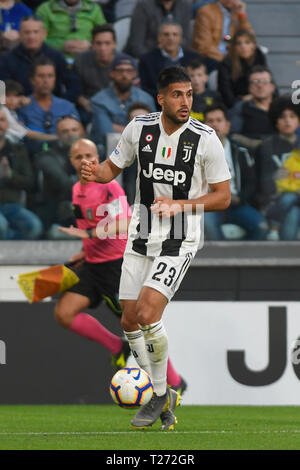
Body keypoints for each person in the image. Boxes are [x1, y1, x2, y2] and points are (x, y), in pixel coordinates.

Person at [81, 66, 231, 430]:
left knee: (148, 314)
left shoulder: (205, 138)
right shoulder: (138, 129)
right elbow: (110, 169)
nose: (186, 101)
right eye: (178, 95)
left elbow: (224, 197)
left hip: (179, 239)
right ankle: (163, 397)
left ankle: (161, 393)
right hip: (140, 235)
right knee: (130, 319)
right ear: (161, 98)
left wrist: (181, 205)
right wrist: (93, 170)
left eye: (190, 94)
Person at [55, 138, 188, 391]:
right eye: (78, 157)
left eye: (89, 155)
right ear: (71, 161)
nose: (84, 161)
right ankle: (118, 346)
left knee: (139, 324)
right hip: (92, 265)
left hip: (117, 265)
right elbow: (86, 227)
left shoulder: (109, 188)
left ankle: (176, 382)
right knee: (63, 312)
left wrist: (93, 234)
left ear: (97, 158)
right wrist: (83, 250)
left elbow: (128, 223)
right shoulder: (76, 189)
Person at [203, 103, 268, 240]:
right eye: (210, 121)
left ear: (227, 125)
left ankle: (243, 259)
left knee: (262, 227)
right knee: (208, 227)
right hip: (209, 205)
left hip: (236, 204)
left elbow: (251, 183)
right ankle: (222, 260)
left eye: (219, 120)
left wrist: (239, 198)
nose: (215, 125)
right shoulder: (192, 153)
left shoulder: (241, 152)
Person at [0, 15, 81, 103]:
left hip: (53, 109)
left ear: (44, 34)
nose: (31, 36)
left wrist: (60, 104)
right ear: (20, 34)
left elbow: (74, 85)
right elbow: (3, 90)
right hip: (19, 110)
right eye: (27, 32)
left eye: (36, 32)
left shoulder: (56, 56)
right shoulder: (7, 59)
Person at [33, 114, 85, 238]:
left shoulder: (94, 153)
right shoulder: (46, 157)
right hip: (57, 217)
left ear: (82, 132)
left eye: (74, 130)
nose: (70, 134)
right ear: (58, 135)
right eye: (65, 131)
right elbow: (66, 185)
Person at [256, 95, 300, 240]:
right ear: (276, 121)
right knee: (292, 212)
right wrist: (274, 177)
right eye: (282, 117)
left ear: (298, 120)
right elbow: (262, 181)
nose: (287, 120)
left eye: (292, 116)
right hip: (275, 199)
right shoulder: (267, 147)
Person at [90, 53, 156, 149]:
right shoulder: (99, 100)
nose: (124, 75)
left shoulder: (146, 99)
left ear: (134, 74)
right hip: (108, 150)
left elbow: (152, 132)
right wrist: (136, 130)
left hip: (140, 149)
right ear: (112, 73)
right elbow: (106, 133)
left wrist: (116, 127)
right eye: (120, 71)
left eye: (129, 71)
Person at [0, 106, 43, 240]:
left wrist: (10, 175)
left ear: (8, 124)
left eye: (2, 120)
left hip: (12, 206)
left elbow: (30, 182)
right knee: (1, 227)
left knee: (34, 227)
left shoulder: (18, 150)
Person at [138, 21, 203, 101]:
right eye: (166, 34)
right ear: (159, 38)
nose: (170, 38)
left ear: (180, 38)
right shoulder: (147, 60)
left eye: (175, 34)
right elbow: (146, 89)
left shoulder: (194, 57)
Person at [17, 56, 80, 136]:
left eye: (50, 76)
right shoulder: (22, 107)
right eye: (41, 76)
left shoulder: (67, 107)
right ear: (32, 80)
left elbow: (80, 135)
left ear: (55, 79)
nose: (46, 81)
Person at [74, 24, 120, 125]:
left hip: (117, 106)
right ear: (92, 44)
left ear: (115, 44)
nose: (102, 48)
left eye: (107, 43)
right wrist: (84, 102)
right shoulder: (81, 60)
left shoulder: (124, 62)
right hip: (89, 106)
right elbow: (75, 89)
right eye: (98, 43)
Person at [36, 0, 106, 60]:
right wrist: (61, 45)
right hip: (55, 61)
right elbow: (37, 40)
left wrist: (90, 45)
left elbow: (105, 36)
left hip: (88, 61)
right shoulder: (45, 9)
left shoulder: (94, 9)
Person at [192, 0, 253, 66]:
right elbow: (204, 46)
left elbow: (250, 38)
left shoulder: (236, 12)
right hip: (211, 58)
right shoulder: (206, 11)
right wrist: (227, 61)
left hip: (232, 58)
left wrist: (242, 15)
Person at [229, 65, 276, 151]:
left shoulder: (281, 108)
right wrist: (253, 144)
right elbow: (233, 135)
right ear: (249, 87)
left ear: (272, 87)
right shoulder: (241, 107)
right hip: (249, 154)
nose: (260, 86)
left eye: (265, 82)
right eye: (255, 82)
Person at [218, 29, 268, 109]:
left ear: (253, 46)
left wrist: (253, 96)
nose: (243, 46)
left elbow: (268, 83)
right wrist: (240, 102)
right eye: (239, 43)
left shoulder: (260, 58)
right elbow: (225, 92)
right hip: (234, 104)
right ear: (234, 47)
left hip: (258, 99)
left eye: (247, 42)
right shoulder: (226, 63)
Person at [125, 0, 192, 59]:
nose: (170, 38)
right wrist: (154, 58)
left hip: (175, 57)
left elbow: (186, 40)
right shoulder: (143, 6)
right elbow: (136, 44)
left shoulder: (185, 5)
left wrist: (171, 52)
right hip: (146, 57)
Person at [3, 79, 58, 144]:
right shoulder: (3, 110)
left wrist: (21, 103)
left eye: (15, 96)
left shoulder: (12, 111)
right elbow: (28, 134)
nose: (12, 100)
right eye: (7, 96)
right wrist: (57, 137)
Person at [186, 58, 222, 122]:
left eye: (199, 75)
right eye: (192, 75)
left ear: (206, 77)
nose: (196, 79)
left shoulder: (215, 96)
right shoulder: (183, 97)